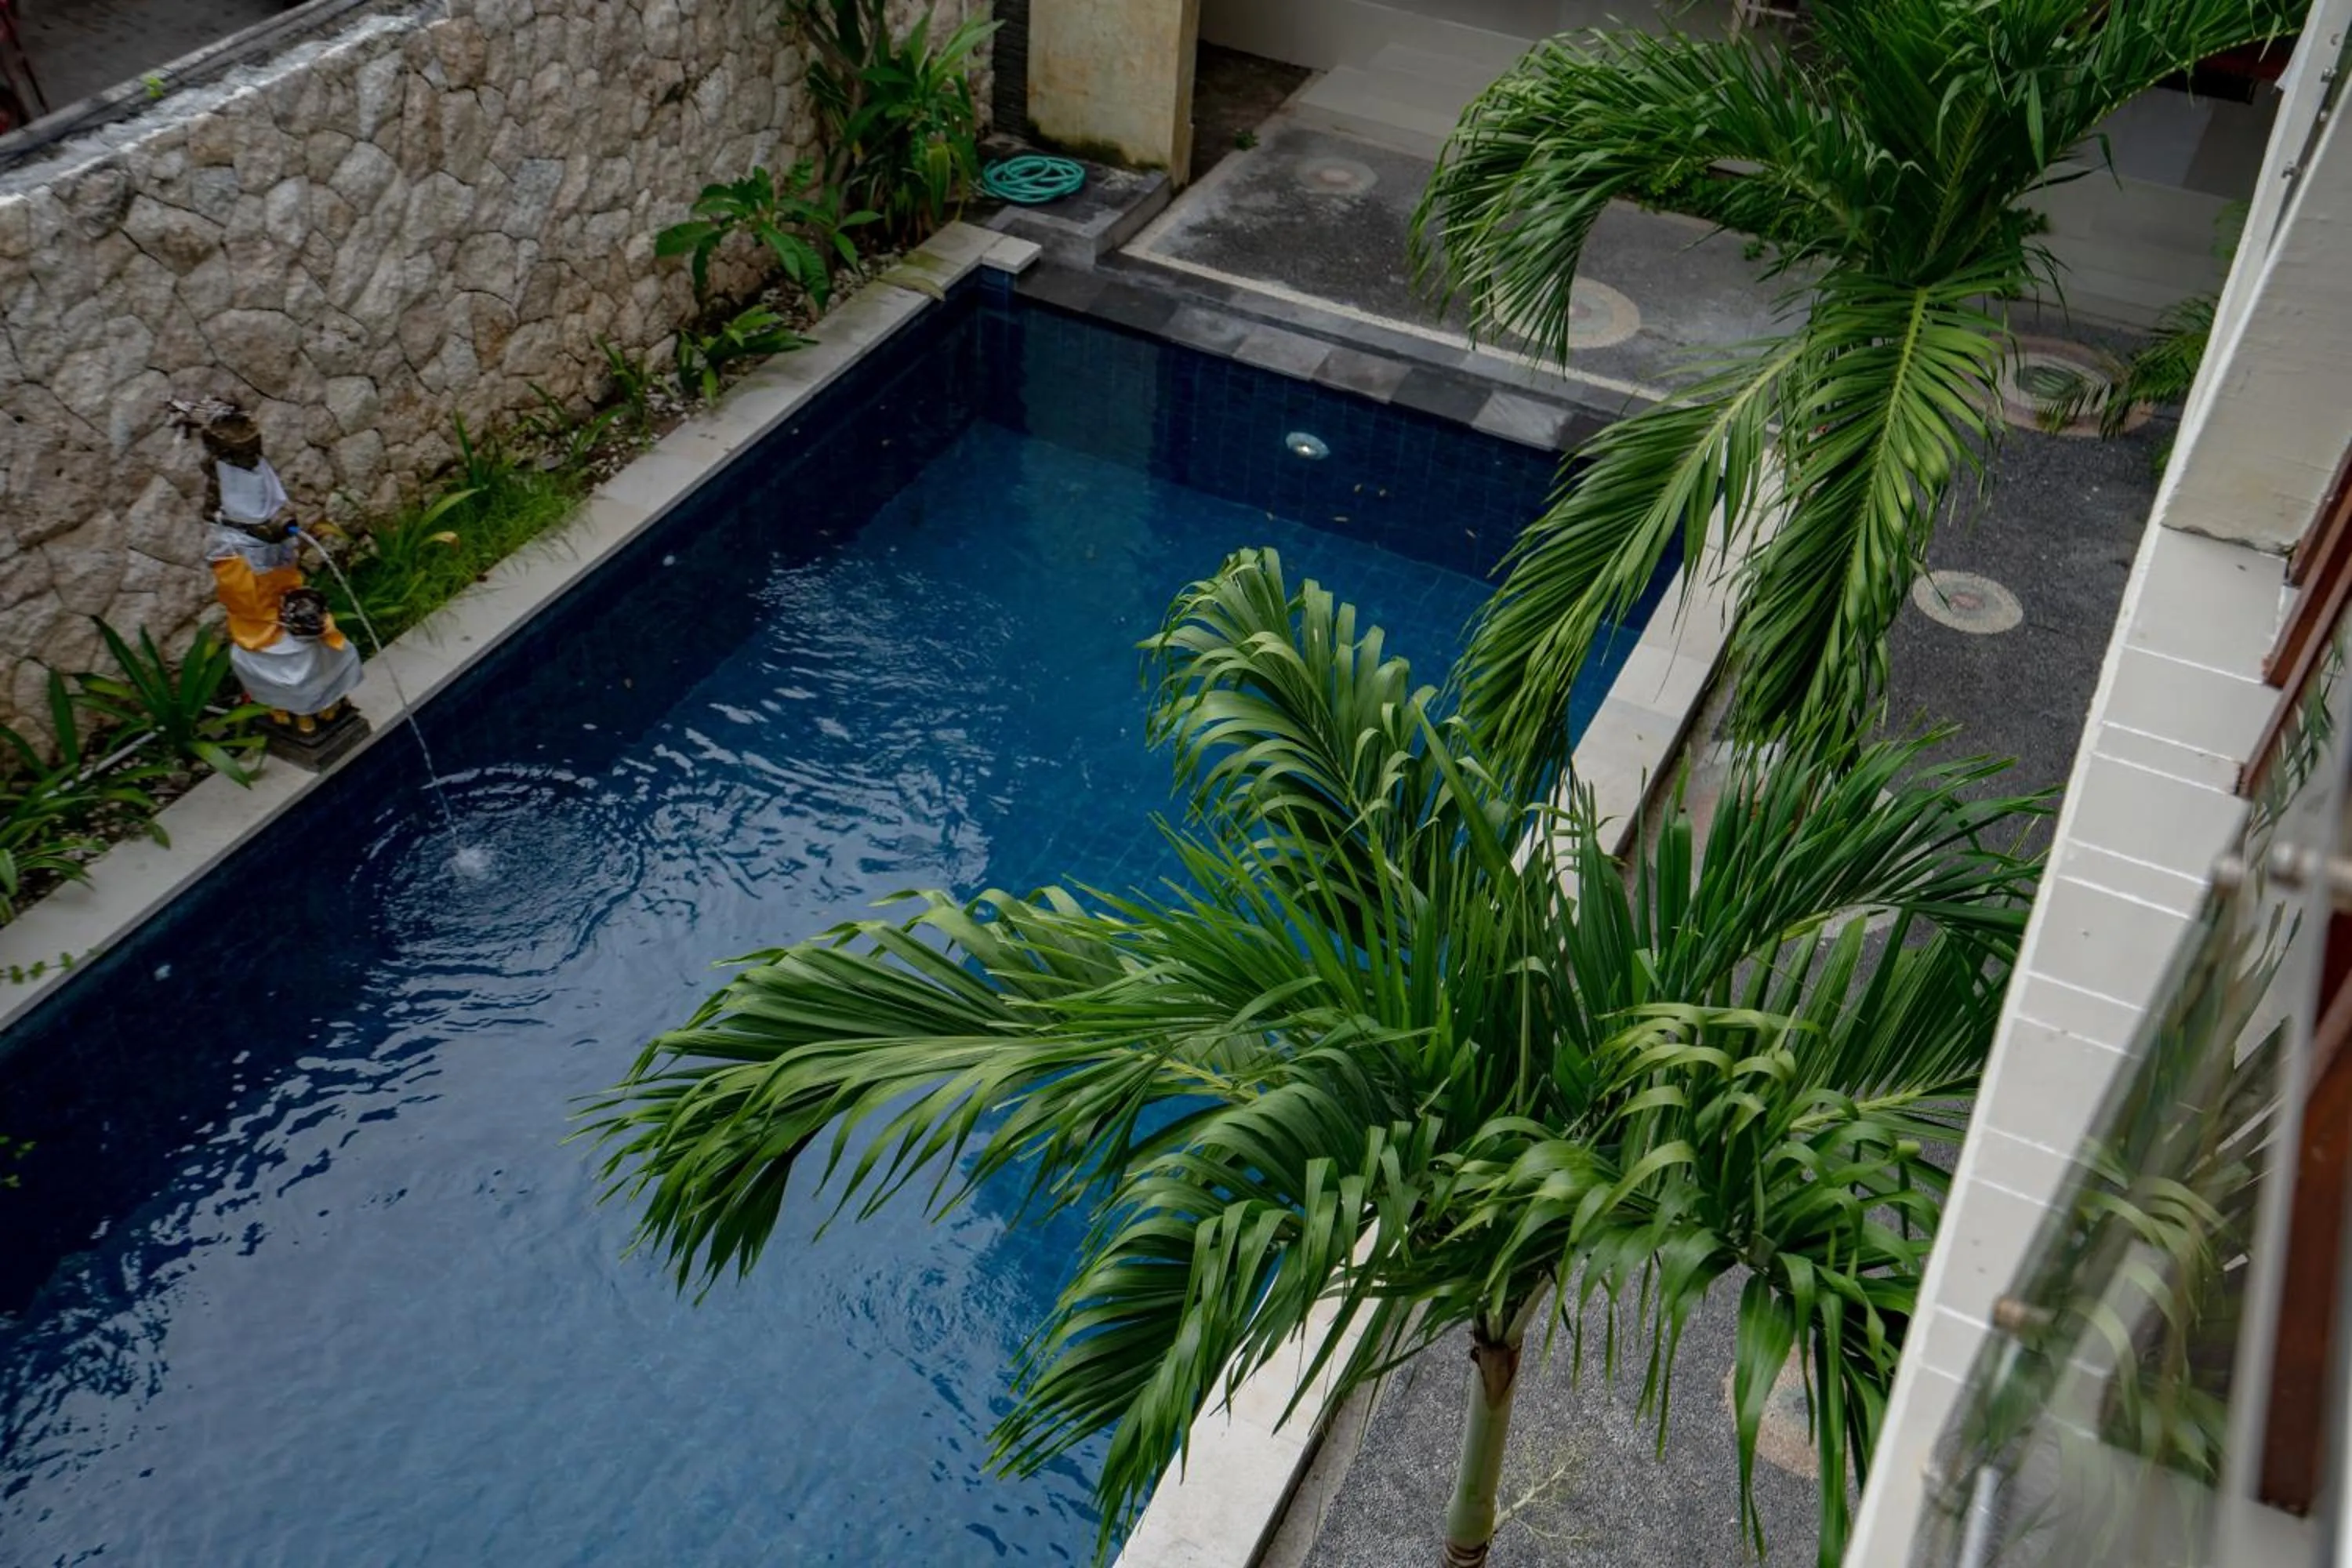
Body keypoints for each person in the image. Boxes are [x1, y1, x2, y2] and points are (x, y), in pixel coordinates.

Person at [169, 397, 363, 733]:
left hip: (278, 582)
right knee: (284, 654)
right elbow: (243, 519)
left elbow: (269, 509)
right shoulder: (230, 489)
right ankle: (297, 708)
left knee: (322, 646)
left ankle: (326, 699)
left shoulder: (255, 471)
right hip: (256, 596)